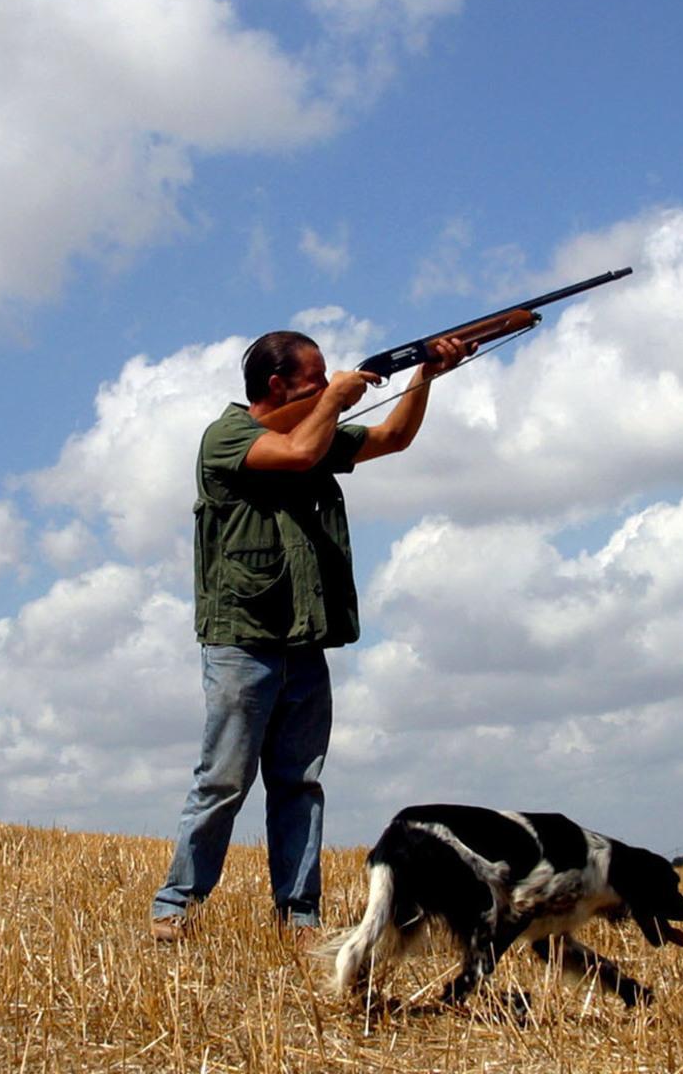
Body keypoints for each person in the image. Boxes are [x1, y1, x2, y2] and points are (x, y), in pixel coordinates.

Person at [150, 328, 468, 942]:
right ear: (277, 385)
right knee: (223, 780)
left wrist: (424, 375)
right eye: (315, 379)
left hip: (303, 638)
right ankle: (176, 904)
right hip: (241, 640)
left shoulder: (314, 429)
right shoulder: (227, 436)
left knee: (299, 784)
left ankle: (298, 915)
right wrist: (336, 399)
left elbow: (394, 438)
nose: (327, 386)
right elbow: (296, 453)